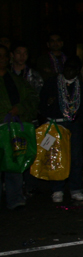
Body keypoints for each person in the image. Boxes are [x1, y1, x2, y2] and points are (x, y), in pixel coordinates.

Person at [39, 56, 83, 204]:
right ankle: (57, 189)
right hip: (56, 125)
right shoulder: (52, 83)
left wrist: (80, 122)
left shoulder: (80, 86)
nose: (70, 71)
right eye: (67, 68)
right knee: (56, 157)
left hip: (73, 126)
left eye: (73, 69)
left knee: (75, 158)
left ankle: (76, 189)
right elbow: (42, 104)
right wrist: (49, 106)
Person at [0, 45, 39, 210]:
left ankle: (15, 199)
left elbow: (32, 98)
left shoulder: (16, 80)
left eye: (3, 56)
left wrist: (19, 109)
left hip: (11, 128)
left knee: (13, 163)